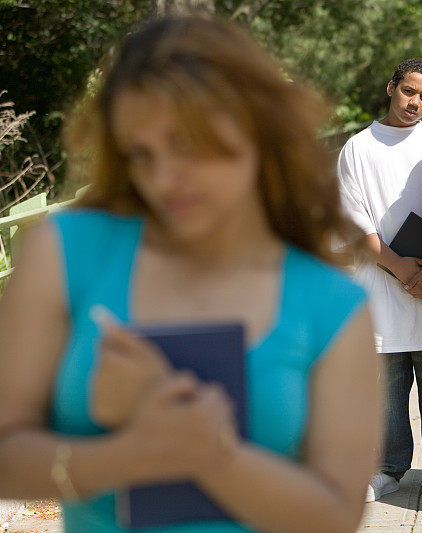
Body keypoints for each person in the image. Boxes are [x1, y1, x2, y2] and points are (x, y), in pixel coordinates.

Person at [0, 16, 381, 533]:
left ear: (252, 126)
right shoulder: (65, 252)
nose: (163, 178)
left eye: (185, 142)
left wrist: (210, 454)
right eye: (141, 153)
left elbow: (335, 517)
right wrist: (127, 454)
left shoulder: (332, 304)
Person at [336, 57, 422, 502]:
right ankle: (387, 467)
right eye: (409, 91)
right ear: (392, 87)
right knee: (385, 388)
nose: (416, 102)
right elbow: (353, 223)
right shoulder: (358, 147)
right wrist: (398, 265)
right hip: (379, 285)